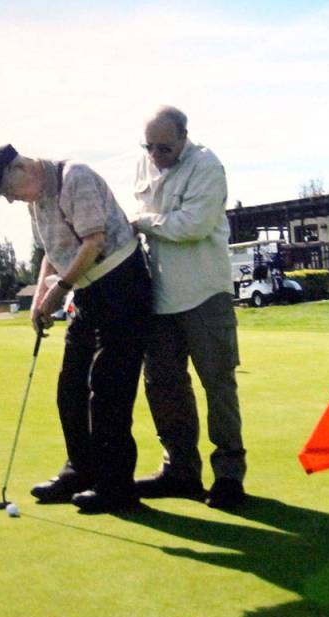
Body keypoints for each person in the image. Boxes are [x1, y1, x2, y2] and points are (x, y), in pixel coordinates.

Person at [0, 144, 151, 513]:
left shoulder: (75, 178)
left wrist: (62, 289)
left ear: (21, 168)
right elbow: (51, 253)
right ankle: (81, 471)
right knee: (69, 385)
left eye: (6, 191)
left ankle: (116, 487)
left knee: (107, 389)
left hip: (121, 286)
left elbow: (94, 242)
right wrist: (41, 298)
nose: (9, 201)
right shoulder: (36, 199)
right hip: (88, 291)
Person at [129, 106, 246, 509]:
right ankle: (179, 470)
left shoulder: (206, 166)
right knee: (163, 386)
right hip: (158, 298)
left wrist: (143, 221)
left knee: (218, 385)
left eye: (165, 147)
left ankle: (229, 475)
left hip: (204, 294)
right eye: (150, 147)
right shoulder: (144, 165)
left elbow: (193, 226)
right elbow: (158, 219)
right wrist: (151, 219)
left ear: (184, 137)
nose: (157, 155)